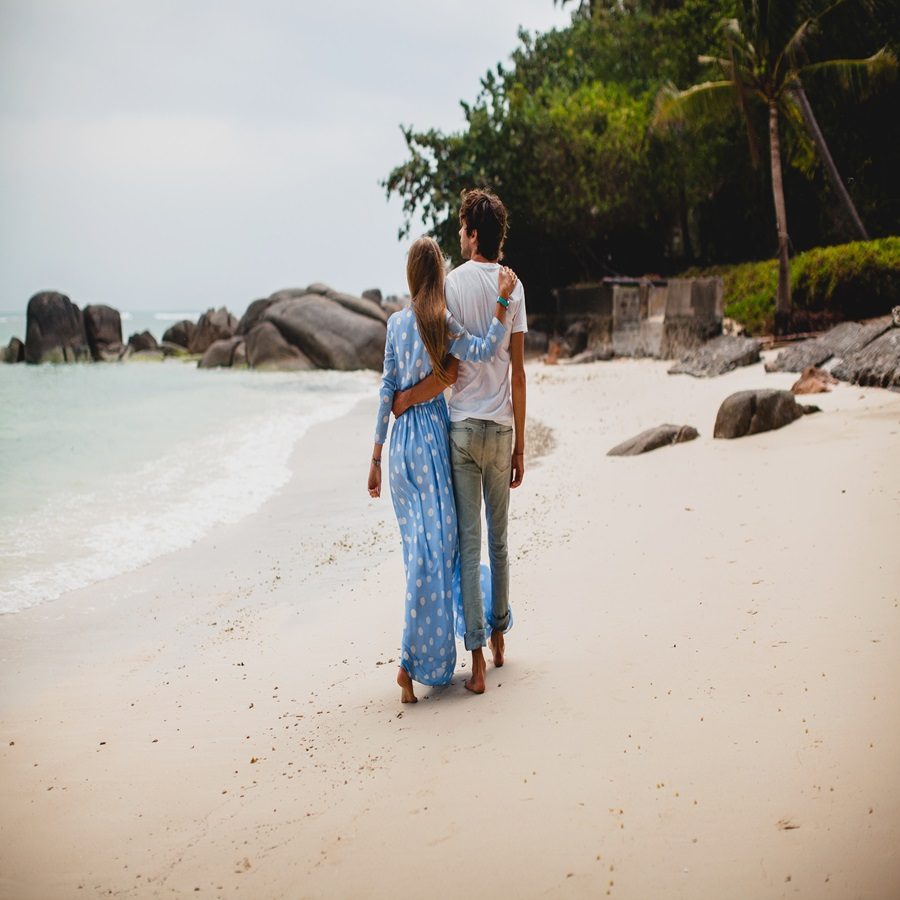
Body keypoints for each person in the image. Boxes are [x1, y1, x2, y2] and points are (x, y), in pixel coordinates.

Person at [367, 236, 518, 703]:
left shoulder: (396, 324)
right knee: (442, 551)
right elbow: (488, 348)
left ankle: (421, 662)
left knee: (421, 555)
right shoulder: (440, 322)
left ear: (411, 276)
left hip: (399, 453)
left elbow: (386, 393)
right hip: (431, 441)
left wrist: (375, 457)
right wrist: (501, 303)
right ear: (439, 276)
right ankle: (411, 664)